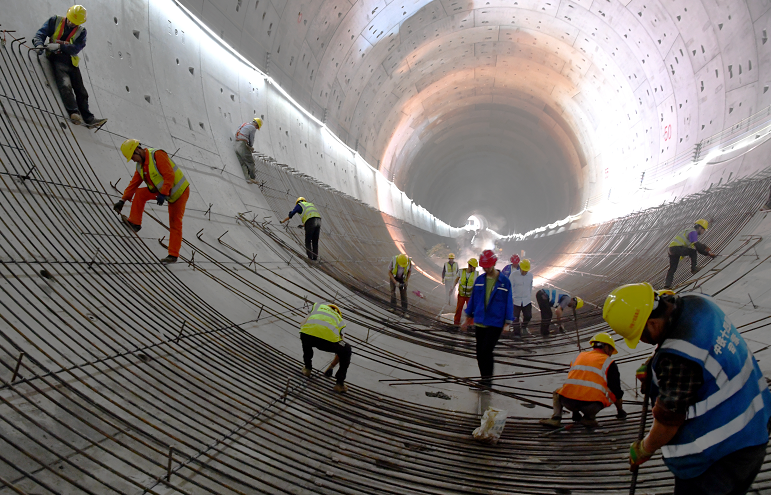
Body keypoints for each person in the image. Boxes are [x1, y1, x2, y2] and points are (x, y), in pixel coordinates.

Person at [603, 283, 771, 494]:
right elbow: (693, 340)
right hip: (755, 419)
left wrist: (644, 448)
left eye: (641, 336)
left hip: (722, 455)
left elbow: (668, 422)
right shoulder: (698, 302)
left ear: (652, 323)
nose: (643, 341)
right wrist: (655, 363)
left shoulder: (677, 360)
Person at [113, 139, 189, 265]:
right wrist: (122, 200)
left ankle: (173, 255)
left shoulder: (157, 155)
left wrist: (163, 193)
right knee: (140, 193)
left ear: (137, 150)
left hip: (179, 192)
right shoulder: (140, 166)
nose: (133, 160)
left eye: (133, 157)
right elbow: (133, 184)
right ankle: (134, 223)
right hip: (162, 191)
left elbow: (169, 175)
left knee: (175, 223)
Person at [32, 6, 106, 127]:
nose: (71, 23)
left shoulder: (81, 32)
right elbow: (41, 33)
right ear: (67, 15)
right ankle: (74, 113)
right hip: (57, 58)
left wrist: (60, 46)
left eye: (75, 22)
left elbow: (77, 48)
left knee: (81, 91)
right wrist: (39, 45)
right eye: (70, 20)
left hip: (71, 61)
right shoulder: (55, 21)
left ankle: (89, 118)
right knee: (65, 85)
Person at [539, 332, 627, 429]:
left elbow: (574, 381)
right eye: (611, 350)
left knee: (558, 392)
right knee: (611, 393)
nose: (610, 354)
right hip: (591, 406)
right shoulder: (609, 362)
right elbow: (617, 391)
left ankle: (556, 418)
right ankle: (589, 418)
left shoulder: (579, 356)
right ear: (606, 347)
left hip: (567, 402)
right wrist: (620, 411)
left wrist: (575, 411)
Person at [461, 250, 514, 389]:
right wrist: (467, 318)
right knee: (479, 353)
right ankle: (484, 380)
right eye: (484, 266)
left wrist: (508, 322)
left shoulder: (504, 282)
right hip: (480, 321)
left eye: (488, 266)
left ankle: (487, 382)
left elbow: (509, 302)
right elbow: (473, 300)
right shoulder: (479, 280)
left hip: (495, 322)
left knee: (486, 351)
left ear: (494, 263)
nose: (486, 269)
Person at [299, 303, 351, 393]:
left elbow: (302, 324)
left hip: (308, 336)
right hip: (327, 343)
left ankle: (307, 368)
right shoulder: (340, 321)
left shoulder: (317, 308)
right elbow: (340, 350)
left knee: (305, 334)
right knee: (346, 349)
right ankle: (339, 384)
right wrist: (331, 367)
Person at [664, 218, 717, 289]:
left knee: (672, 268)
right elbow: (697, 247)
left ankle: (667, 285)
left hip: (671, 249)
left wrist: (704, 247)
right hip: (677, 248)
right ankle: (694, 268)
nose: (703, 232)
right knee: (693, 252)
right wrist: (708, 254)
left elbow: (696, 244)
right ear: (700, 227)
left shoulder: (689, 231)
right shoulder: (693, 232)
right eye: (703, 229)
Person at [509, 259, 533, 337]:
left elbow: (530, 286)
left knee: (528, 316)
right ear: (520, 268)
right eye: (523, 270)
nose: (524, 272)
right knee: (515, 317)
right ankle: (517, 333)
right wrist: (511, 297)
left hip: (526, 300)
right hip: (516, 300)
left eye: (526, 271)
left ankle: (524, 327)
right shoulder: (513, 275)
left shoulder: (530, 276)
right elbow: (510, 286)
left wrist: (529, 296)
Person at [453, 258, 478, 326]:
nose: (475, 269)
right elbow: (456, 279)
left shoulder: (476, 274)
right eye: (474, 267)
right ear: (470, 266)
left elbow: (477, 284)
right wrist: (452, 287)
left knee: (471, 311)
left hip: (470, 296)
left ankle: (471, 325)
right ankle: (456, 323)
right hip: (461, 295)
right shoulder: (461, 271)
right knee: (459, 309)